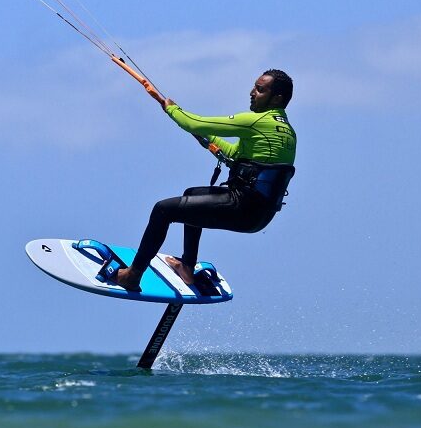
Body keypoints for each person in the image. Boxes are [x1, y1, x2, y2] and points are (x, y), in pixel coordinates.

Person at [115, 69, 297, 292]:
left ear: (277, 98)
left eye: (260, 90)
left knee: (163, 210)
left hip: (242, 206)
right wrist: (207, 138)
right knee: (192, 194)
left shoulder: (257, 122)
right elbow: (233, 154)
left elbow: (194, 122)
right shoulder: (287, 131)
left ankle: (132, 275)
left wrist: (172, 109)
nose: (252, 93)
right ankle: (187, 268)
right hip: (259, 214)